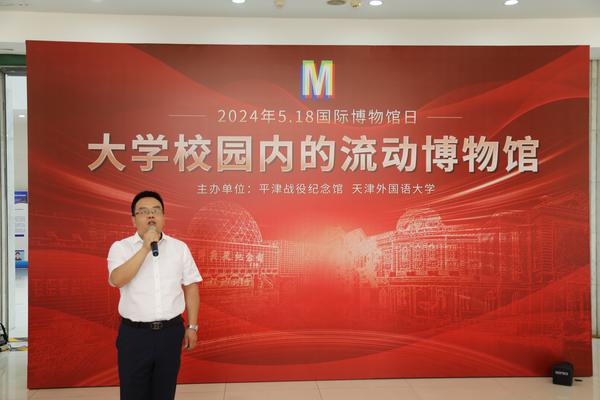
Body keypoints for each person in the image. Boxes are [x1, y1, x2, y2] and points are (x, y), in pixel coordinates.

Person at [107, 191, 202, 400]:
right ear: (134, 220)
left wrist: (192, 326)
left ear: (163, 217)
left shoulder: (179, 248)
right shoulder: (120, 248)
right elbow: (117, 280)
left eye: (156, 211)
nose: (151, 215)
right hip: (135, 335)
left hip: (170, 333)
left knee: (164, 393)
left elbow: (191, 286)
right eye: (143, 212)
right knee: (133, 394)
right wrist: (144, 248)